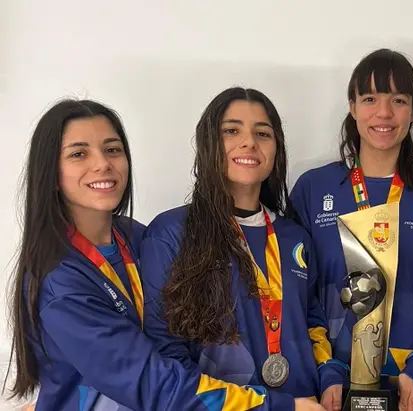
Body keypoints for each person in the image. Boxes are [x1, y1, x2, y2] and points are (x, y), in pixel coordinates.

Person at [6, 99, 275, 411]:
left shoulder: (139, 235)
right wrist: (276, 405)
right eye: (79, 154)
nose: (102, 164)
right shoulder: (61, 281)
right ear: (51, 172)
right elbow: (153, 384)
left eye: (112, 149)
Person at [290, 48, 413, 409]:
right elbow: (300, 295)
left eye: (399, 100)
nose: (384, 113)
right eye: (370, 98)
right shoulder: (313, 190)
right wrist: (325, 369)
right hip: (331, 387)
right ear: (352, 106)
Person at [140, 87, 338, 411]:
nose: (249, 142)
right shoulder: (172, 233)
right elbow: (166, 356)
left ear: (276, 150)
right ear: (209, 144)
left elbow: (312, 317)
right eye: (231, 130)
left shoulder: (295, 237)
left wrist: (330, 375)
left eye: (263, 133)